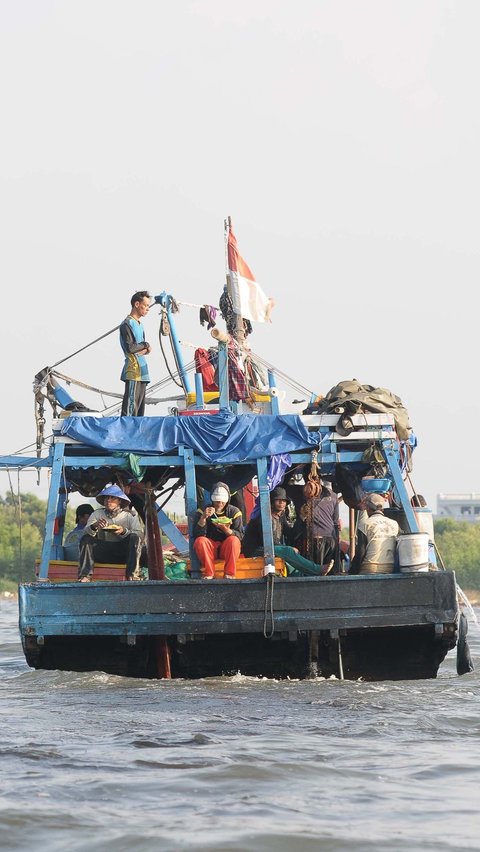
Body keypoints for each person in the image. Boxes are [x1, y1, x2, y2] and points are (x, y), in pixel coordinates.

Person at [242, 486, 330, 576]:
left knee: (291, 560)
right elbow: (269, 542)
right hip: (255, 550)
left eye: (283, 501)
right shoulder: (263, 518)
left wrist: (301, 518)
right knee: (287, 551)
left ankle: (305, 579)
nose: (281, 503)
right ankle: (317, 570)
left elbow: (291, 534)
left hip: (269, 548)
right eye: (278, 500)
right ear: (271, 502)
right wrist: (289, 549)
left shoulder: (280, 517)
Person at [78, 485, 145, 581]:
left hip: (124, 553)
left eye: (113, 498)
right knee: (86, 539)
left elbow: (140, 535)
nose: (109, 500)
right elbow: (85, 533)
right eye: (107, 497)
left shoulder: (129, 516)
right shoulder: (97, 514)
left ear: (119, 501)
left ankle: (132, 575)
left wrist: (123, 531)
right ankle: (85, 576)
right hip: (105, 551)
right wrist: (95, 526)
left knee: (134, 538)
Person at [193, 482, 243, 579]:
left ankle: (229, 574)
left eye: (222, 502)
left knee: (234, 540)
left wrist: (226, 530)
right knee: (200, 541)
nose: (219, 504)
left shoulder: (234, 512)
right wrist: (203, 518)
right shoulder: (202, 510)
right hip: (211, 547)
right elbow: (197, 534)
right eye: (217, 502)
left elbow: (240, 536)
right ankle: (209, 573)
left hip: (226, 548)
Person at [296, 476, 340, 571]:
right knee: (328, 571)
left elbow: (336, 522)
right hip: (327, 539)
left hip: (319, 541)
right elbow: (335, 522)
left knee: (312, 571)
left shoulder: (300, 493)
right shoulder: (333, 495)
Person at [120, 291, 152, 416]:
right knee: (130, 410)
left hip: (143, 372)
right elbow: (131, 347)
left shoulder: (140, 324)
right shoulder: (127, 324)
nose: (148, 309)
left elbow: (142, 348)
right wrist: (146, 345)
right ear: (137, 304)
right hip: (133, 371)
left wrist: (145, 347)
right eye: (146, 305)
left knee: (139, 412)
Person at [350, 492, 399, 574]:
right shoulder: (394, 524)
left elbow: (361, 551)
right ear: (382, 509)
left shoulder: (365, 524)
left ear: (367, 508)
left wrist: (352, 571)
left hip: (369, 568)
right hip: (389, 568)